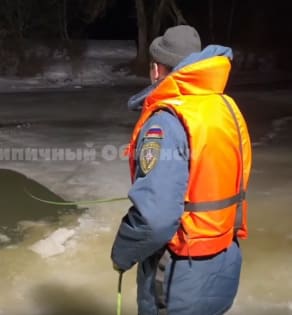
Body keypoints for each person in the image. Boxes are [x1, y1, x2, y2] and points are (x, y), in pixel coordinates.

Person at [111, 25, 252, 315]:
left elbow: (156, 218)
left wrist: (122, 254)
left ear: (156, 69)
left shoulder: (166, 121)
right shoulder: (226, 107)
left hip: (176, 276)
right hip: (224, 262)